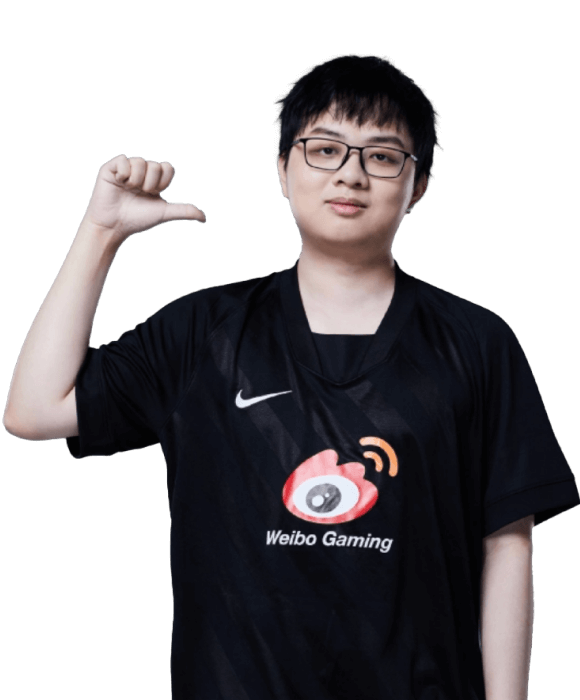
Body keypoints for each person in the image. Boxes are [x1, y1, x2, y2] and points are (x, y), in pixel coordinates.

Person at [4, 54, 579, 700]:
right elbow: (33, 410)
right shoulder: (204, 331)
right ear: (282, 170)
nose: (351, 174)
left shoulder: (476, 343)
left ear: (417, 185)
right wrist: (100, 232)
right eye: (325, 149)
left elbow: (508, 544)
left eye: (382, 156)